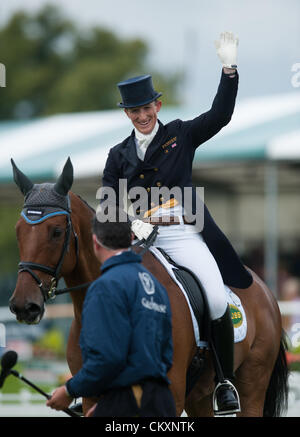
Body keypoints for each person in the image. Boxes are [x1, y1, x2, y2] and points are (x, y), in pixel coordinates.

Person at [100, 32, 250, 414]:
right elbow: (108, 204)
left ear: (157, 104)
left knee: (216, 297)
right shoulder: (117, 156)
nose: (142, 116)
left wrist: (229, 70)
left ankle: (224, 382)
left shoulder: (181, 134)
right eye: (134, 111)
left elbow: (221, 115)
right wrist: (133, 228)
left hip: (182, 233)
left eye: (146, 108)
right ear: (127, 114)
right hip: (139, 242)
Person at [46, 211, 175, 417]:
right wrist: (110, 404)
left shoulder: (106, 286)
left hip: (130, 405)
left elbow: (107, 359)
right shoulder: (156, 286)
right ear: (131, 238)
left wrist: (70, 390)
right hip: (162, 403)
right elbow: (166, 355)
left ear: (95, 242)